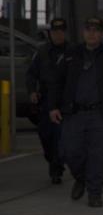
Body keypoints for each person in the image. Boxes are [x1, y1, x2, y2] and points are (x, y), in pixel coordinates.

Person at [49, 17, 103, 208]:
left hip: (101, 115)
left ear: (102, 34)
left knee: (98, 155)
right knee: (69, 151)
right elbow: (56, 82)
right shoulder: (70, 55)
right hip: (74, 113)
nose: (91, 33)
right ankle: (81, 178)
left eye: (96, 30)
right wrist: (53, 106)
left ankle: (95, 193)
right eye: (88, 29)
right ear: (83, 33)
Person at [26, 18, 68, 184]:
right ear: (50, 33)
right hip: (45, 101)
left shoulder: (73, 52)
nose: (58, 35)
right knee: (45, 136)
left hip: (64, 102)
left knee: (60, 137)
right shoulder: (42, 52)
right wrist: (32, 91)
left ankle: (56, 168)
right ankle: (52, 160)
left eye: (61, 31)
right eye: (55, 32)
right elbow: (31, 74)